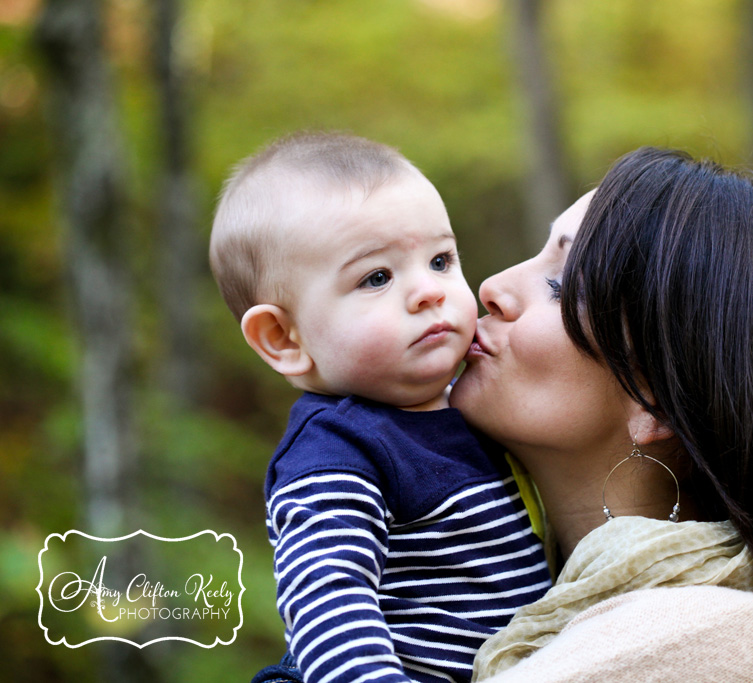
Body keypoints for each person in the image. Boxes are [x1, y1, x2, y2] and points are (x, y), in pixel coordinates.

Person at [450, 147, 753, 682]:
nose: (492, 287)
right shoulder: (509, 597)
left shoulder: (718, 638)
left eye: (561, 286)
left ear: (657, 397)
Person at [209, 132, 551, 683]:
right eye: (377, 277)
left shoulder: (475, 405)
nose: (428, 291)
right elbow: (330, 607)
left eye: (441, 260)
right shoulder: (337, 453)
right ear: (283, 338)